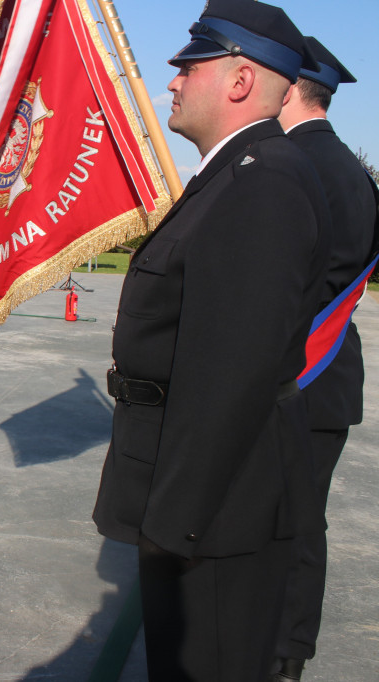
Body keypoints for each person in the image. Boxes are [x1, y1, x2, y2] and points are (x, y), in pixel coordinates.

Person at [91, 1, 333, 679]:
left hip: (217, 512)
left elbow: (232, 374)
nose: (172, 82)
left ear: (237, 80)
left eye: (188, 67)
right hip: (201, 499)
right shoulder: (236, 174)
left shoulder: (263, 183)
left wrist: (178, 524)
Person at [271, 37, 377, 682]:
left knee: (286, 525)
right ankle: (287, 654)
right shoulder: (349, 169)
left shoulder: (293, 165)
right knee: (302, 521)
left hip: (298, 372)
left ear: (287, 89)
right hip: (328, 373)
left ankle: (279, 652)